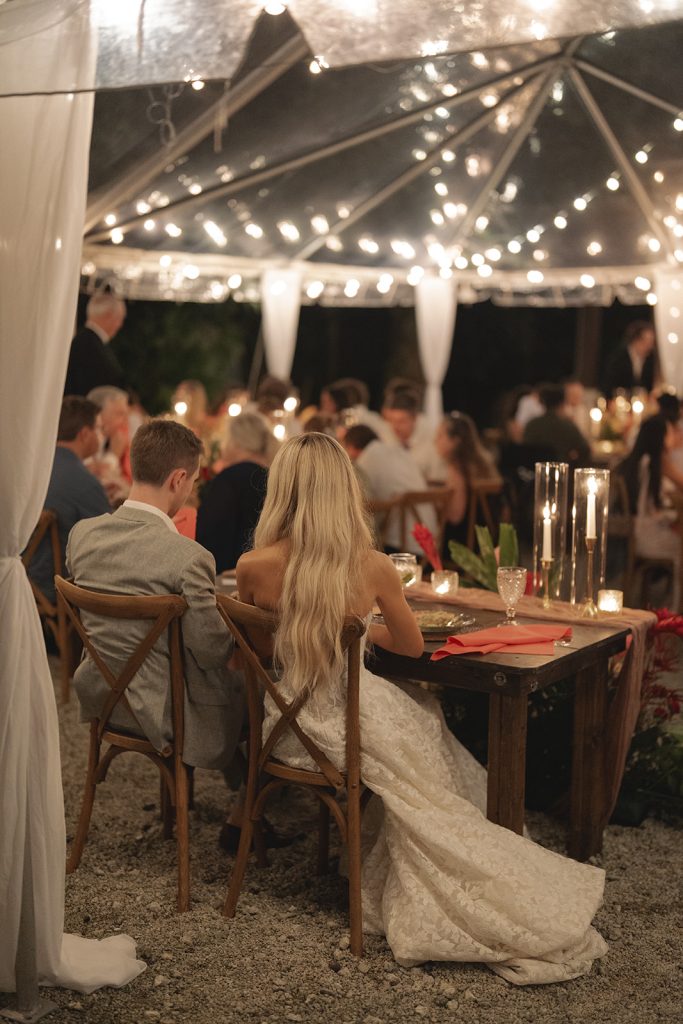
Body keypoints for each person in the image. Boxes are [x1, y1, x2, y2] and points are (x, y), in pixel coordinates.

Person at [235, 433, 607, 983]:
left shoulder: (251, 567)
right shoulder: (373, 567)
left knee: (420, 736)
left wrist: (336, 630)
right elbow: (411, 647)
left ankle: (377, 855)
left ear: (282, 493)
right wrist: (365, 626)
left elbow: (262, 653)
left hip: (288, 725)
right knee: (426, 728)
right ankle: (472, 859)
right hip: (350, 712)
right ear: (344, 492)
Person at [66, 419, 244, 774]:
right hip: (161, 709)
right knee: (254, 690)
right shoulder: (189, 557)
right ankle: (246, 809)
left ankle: (239, 790)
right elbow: (211, 652)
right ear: (178, 479)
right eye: (192, 483)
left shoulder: (82, 536)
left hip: (98, 694)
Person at [27, 396, 110, 604]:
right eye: (99, 429)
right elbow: (109, 543)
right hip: (58, 589)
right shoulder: (85, 483)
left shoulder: (31, 469)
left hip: (24, 579)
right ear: (84, 434)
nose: (102, 435)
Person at [616, 403, 682, 610]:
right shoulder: (654, 464)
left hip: (640, 532)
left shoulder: (639, 461)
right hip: (651, 537)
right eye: (670, 432)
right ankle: (674, 607)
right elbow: (657, 508)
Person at [342, 424, 437, 554]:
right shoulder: (398, 451)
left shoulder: (365, 461)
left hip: (400, 547)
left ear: (351, 447)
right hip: (430, 543)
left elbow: (361, 507)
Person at [196, 411, 270, 573]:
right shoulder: (273, 477)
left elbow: (208, 534)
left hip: (228, 576)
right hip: (264, 571)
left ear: (236, 442)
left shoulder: (230, 479)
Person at [435, 411, 502, 553]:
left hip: (463, 547)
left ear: (455, 440)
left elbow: (455, 516)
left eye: (440, 435)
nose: (435, 440)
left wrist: (438, 506)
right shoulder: (483, 464)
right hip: (488, 540)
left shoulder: (457, 469)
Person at [63, 292, 126, 396]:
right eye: (120, 319)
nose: (120, 325)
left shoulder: (83, 340)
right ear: (109, 315)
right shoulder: (91, 347)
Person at [523, 383, 590, 464]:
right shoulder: (567, 426)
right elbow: (585, 450)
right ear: (562, 403)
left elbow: (525, 450)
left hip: (534, 471)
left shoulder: (532, 425)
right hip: (561, 472)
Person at [87, 385, 132, 501]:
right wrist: (114, 455)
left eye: (126, 415)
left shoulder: (107, 439)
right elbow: (96, 479)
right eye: (120, 414)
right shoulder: (84, 436)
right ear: (98, 413)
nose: (125, 421)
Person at [603, 320, 657, 398]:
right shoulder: (618, 357)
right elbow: (608, 384)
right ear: (636, 340)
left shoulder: (650, 360)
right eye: (646, 342)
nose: (650, 346)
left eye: (651, 342)